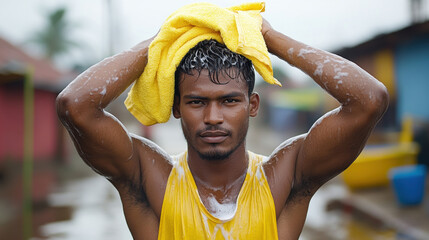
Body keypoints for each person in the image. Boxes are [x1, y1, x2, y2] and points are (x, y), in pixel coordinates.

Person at [56, 18, 388, 239]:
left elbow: (369, 100)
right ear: (176, 108)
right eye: (197, 102)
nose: (213, 117)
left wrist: (270, 38)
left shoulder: (282, 178)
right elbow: (75, 105)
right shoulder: (151, 179)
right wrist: (166, 38)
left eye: (229, 101)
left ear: (252, 106)